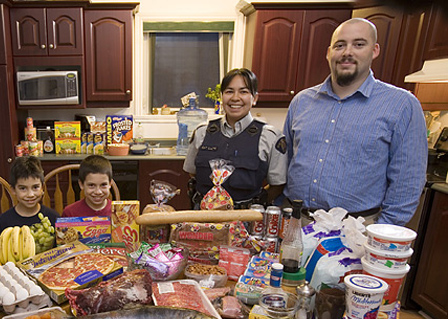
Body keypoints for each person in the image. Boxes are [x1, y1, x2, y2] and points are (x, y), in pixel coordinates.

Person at [282, 18, 427, 226]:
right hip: (296, 223)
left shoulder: (402, 105)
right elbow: (285, 163)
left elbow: (408, 183)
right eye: (340, 45)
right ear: (329, 52)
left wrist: (380, 234)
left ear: (374, 50)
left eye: (358, 44)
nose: (347, 52)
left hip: (357, 230)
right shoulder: (301, 101)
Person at [183, 68, 288, 208]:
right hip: (203, 218)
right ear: (222, 97)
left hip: (246, 219)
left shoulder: (270, 137)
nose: (235, 98)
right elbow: (192, 173)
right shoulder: (202, 132)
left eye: (243, 91)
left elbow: (277, 185)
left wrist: (251, 205)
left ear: (254, 98)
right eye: (229, 91)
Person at [0, 156, 59, 235]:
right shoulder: (3, 222)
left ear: (43, 188)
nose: (30, 195)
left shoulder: (53, 218)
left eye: (35, 187)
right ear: (13, 190)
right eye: (23, 188)